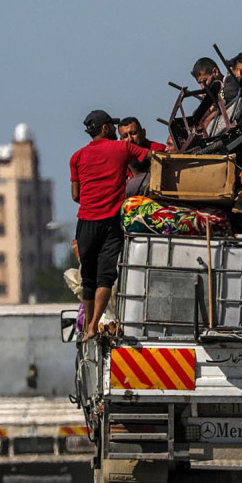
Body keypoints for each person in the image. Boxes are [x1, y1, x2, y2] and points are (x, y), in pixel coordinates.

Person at [71, 110, 151, 340]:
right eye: (114, 128)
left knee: (88, 276)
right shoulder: (122, 149)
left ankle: (87, 323)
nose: (119, 133)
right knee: (106, 276)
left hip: (86, 221)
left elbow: (75, 194)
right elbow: (151, 157)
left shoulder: (76, 157)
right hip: (111, 222)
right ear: (106, 128)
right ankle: (93, 325)